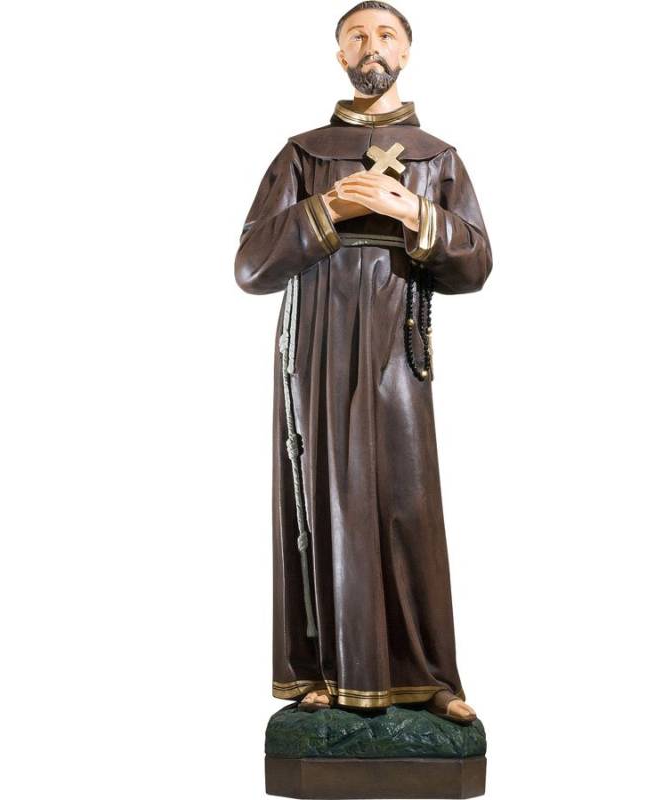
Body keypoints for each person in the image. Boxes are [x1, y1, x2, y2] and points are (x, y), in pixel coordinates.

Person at [234, 1, 492, 724]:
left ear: (405, 52)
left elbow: (475, 264)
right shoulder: (304, 154)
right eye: (356, 35)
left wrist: (414, 214)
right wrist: (330, 211)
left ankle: (428, 676)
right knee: (321, 498)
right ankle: (318, 671)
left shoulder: (437, 157)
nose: (370, 46)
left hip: (397, 347)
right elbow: (251, 265)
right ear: (339, 54)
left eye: (385, 35)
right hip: (315, 346)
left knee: (409, 503)